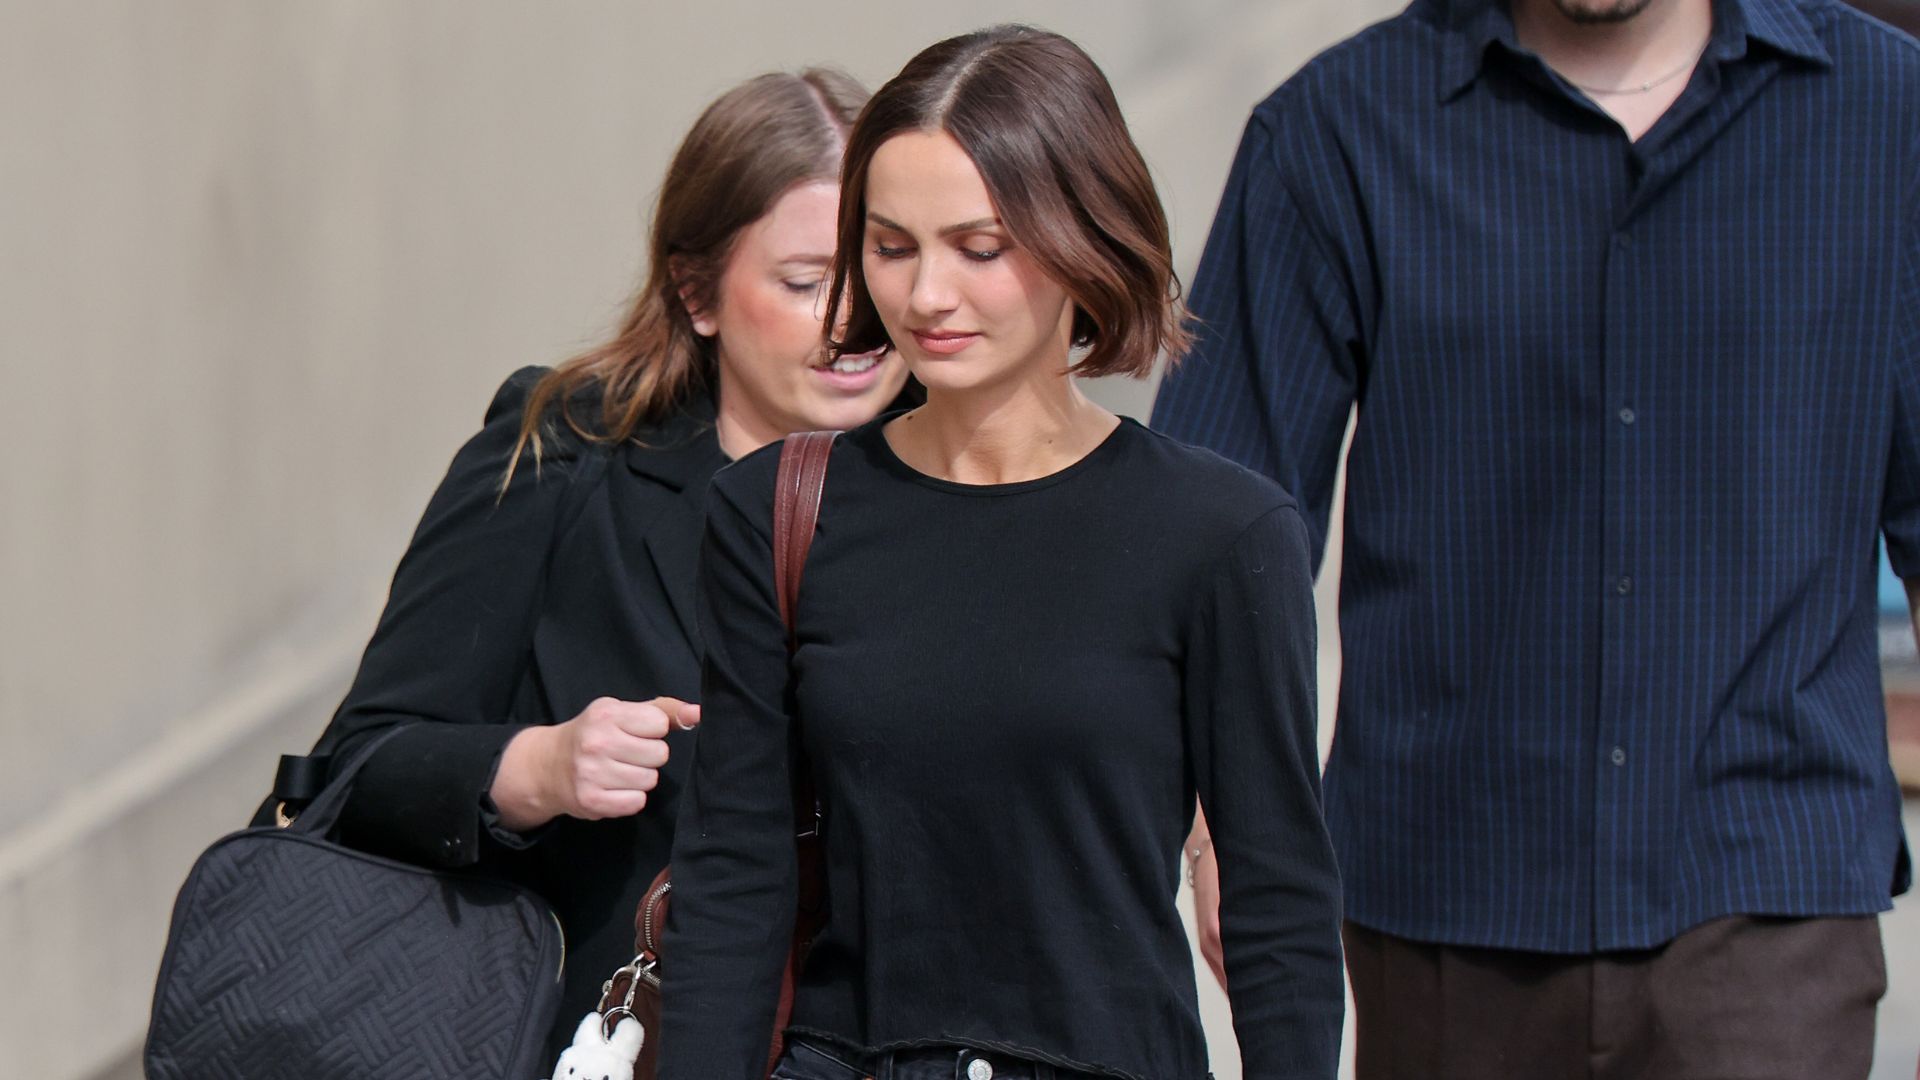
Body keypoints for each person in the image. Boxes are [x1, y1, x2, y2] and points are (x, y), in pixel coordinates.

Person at [1152, 0, 1920, 1074]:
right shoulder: (1337, 128)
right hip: (1445, 904)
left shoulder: (1890, 116)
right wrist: (1216, 822)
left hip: (1769, 899)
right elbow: (1209, 534)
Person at [656, 25, 1343, 1080]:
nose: (928, 296)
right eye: (891, 247)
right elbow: (735, 877)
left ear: (1084, 237)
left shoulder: (1224, 535)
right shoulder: (775, 512)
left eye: (980, 248)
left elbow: (1276, 910)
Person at [264, 68, 912, 1064]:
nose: (853, 323)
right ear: (698, 293)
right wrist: (539, 769)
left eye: (879, 268)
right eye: (804, 282)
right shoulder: (568, 459)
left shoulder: (968, 500)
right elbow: (360, 763)